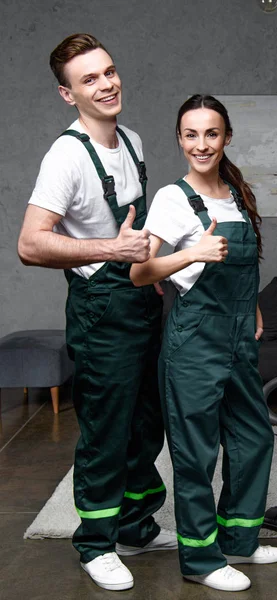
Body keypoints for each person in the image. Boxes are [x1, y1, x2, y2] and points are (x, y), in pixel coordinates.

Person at [17, 33, 177, 592]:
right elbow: (31, 244)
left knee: (145, 425)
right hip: (101, 310)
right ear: (68, 94)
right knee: (106, 431)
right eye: (89, 79)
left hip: (141, 300)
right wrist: (113, 250)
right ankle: (95, 543)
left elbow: (136, 231)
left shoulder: (131, 140)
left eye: (108, 71)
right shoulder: (65, 155)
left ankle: (135, 526)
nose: (106, 84)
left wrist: (158, 267)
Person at [130, 94, 277, 592]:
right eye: (191, 134)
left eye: (211, 133)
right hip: (195, 339)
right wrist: (191, 253)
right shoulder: (173, 199)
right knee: (195, 453)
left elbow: (244, 263)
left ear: (227, 137)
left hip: (239, 336)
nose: (202, 144)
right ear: (180, 139)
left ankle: (238, 540)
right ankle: (200, 560)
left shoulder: (235, 192)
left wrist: (254, 305)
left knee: (253, 437)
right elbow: (139, 272)